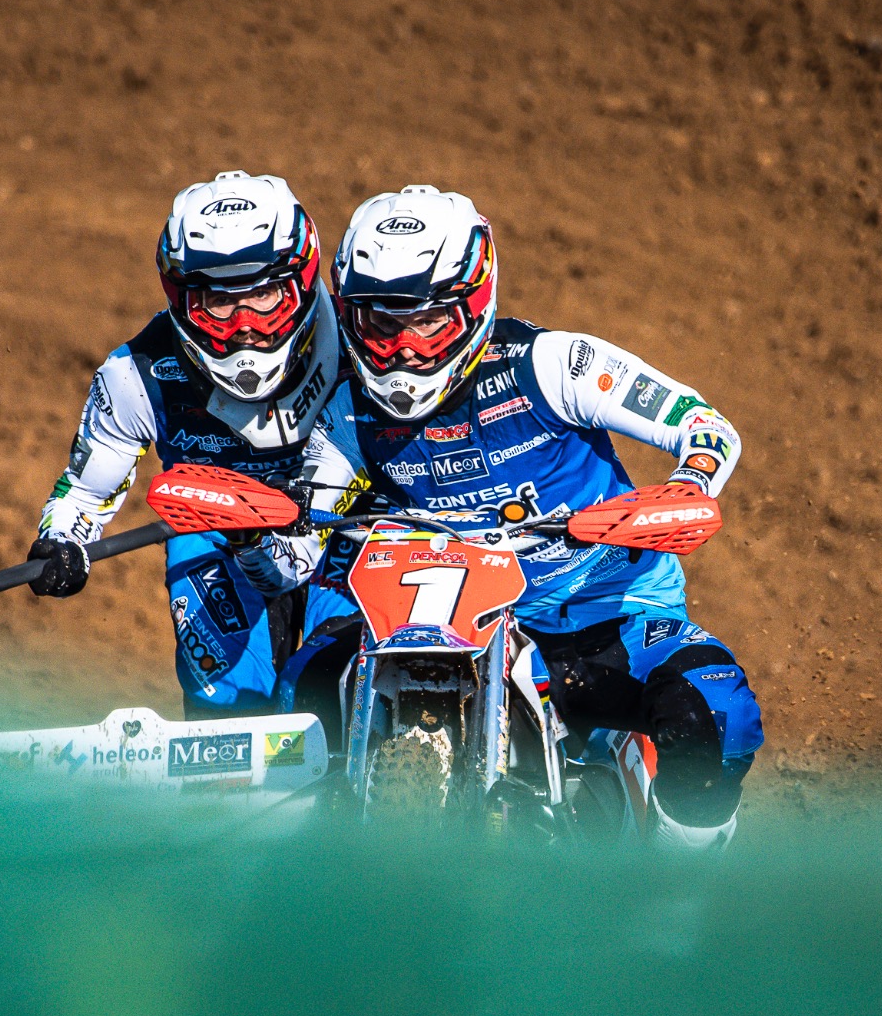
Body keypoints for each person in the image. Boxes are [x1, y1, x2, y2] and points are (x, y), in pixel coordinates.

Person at [251, 185, 764, 847]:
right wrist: (262, 535)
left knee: (712, 713)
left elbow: (704, 425)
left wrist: (687, 484)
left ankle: (677, 898)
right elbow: (296, 552)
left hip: (597, 619)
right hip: (425, 621)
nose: (404, 349)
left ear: (474, 303)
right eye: (381, 323)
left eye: (428, 322)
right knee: (305, 691)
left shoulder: (553, 366)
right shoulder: (346, 413)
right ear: (349, 315)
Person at [27, 171, 350, 717]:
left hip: (343, 530)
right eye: (218, 301)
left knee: (340, 689)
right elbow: (82, 494)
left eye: (264, 295)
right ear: (180, 298)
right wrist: (59, 542)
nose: (244, 324)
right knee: (226, 707)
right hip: (217, 535)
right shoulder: (137, 374)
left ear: (301, 280)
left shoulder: (358, 340)